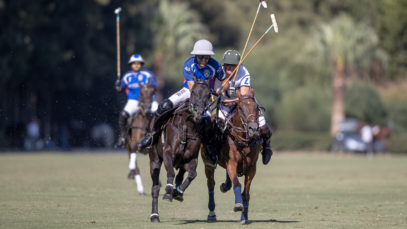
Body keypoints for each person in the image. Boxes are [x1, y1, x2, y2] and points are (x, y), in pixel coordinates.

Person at [137, 39, 225, 151]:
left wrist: (218, 90)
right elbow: (192, 87)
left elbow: (220, 80)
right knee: (164, 106)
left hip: (206, 95)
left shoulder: (216, 66)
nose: (203, 60)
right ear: (195, 55)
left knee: (207, 121)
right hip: (189, 90)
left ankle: (208, 148)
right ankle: (151, 135)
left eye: (206, 57)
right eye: (200, 57)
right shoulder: (189, 64)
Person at [211, 50, 273, 165]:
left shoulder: (244, 72)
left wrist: (231, 100)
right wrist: (221, 89)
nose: (229, 68)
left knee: (263, 127)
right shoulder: (219, 73)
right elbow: (217, 93)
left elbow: (244, 95)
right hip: (225, 104)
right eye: (227, 65)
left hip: (246, 102)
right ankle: (216, 151)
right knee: (218, 126)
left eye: (233, 65)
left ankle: (266, 146)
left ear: (238, 65)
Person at [115, 53, 158, 148]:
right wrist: (118, 85)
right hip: (133, 101)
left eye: (138, 63)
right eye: (134, 63)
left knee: (158, 114)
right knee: (123, 115)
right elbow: (120, 89)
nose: (136, 64)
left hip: (149, 101)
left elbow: (154, 86)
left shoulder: (148, 74)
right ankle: (123, 137)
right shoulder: (127, 76)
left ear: (141, 64)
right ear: (131, 64)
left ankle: (160, 137)